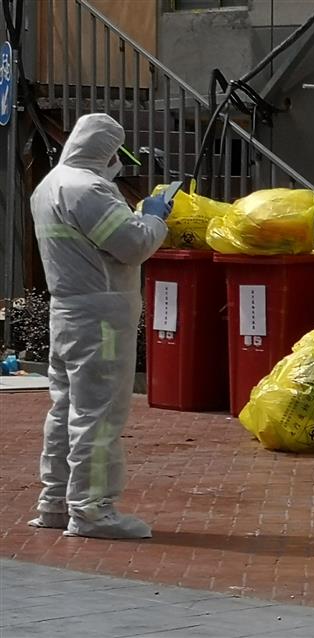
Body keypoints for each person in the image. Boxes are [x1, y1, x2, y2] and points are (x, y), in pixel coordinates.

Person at [28, 113, 171, 539]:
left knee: (65, 408)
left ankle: (54, 501)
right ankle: (92, 510)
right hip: (102, 321)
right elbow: (132, 245)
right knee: (99, 414)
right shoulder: (88, 189)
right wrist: (155, 216)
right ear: (107, 150)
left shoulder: (48, 185)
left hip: (68, 313)